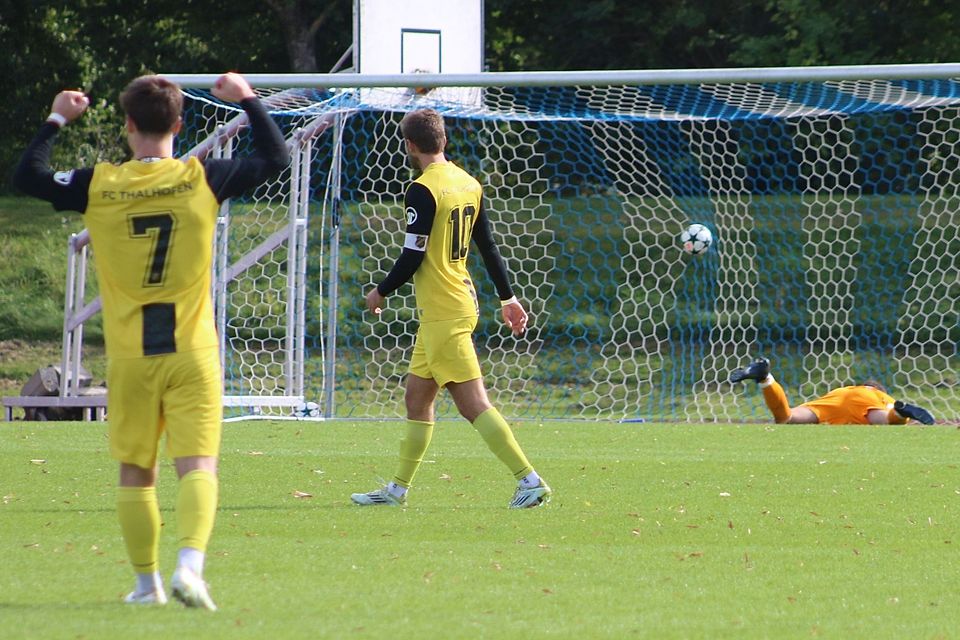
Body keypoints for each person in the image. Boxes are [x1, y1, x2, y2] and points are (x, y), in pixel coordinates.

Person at [13, 72, 289, 608]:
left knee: (137, 471)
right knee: (198, 465)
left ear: (128, 125)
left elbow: (27, 177)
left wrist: (56, 119)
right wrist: (250, 100)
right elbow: (277, 161)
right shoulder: (201, 177)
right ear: (180, 125)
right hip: (194, 351)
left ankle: (146, 586)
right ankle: (190, 566)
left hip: (132, 357)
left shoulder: (101, 183)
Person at [351, 108, 551, 509]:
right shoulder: (468, 182)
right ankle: (397, 490)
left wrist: (381, 291)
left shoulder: (422, 189)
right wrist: (507, 298)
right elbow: (488, 245)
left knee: (471, 403)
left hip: (445, 309)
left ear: (409, 146)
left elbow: (412, 255)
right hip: (455, 303)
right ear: (444, 140)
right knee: (417, 397)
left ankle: (529, 480)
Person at [729, 358, 935, 425]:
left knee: (787, 417)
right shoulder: (880, 395)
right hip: (870, 399)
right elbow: (878, 407)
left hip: (836, 399)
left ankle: (765, 378)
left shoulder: (845, 390)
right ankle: (901, 412)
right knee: (885, 418)